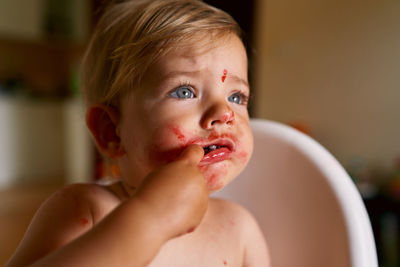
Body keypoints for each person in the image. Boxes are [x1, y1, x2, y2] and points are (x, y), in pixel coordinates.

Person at [6, 0, 270, 266]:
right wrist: (152, 218)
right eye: (184, 91)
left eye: (237, 97)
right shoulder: (84, 210)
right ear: (111, 132)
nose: (224, 114)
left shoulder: (240, 229)